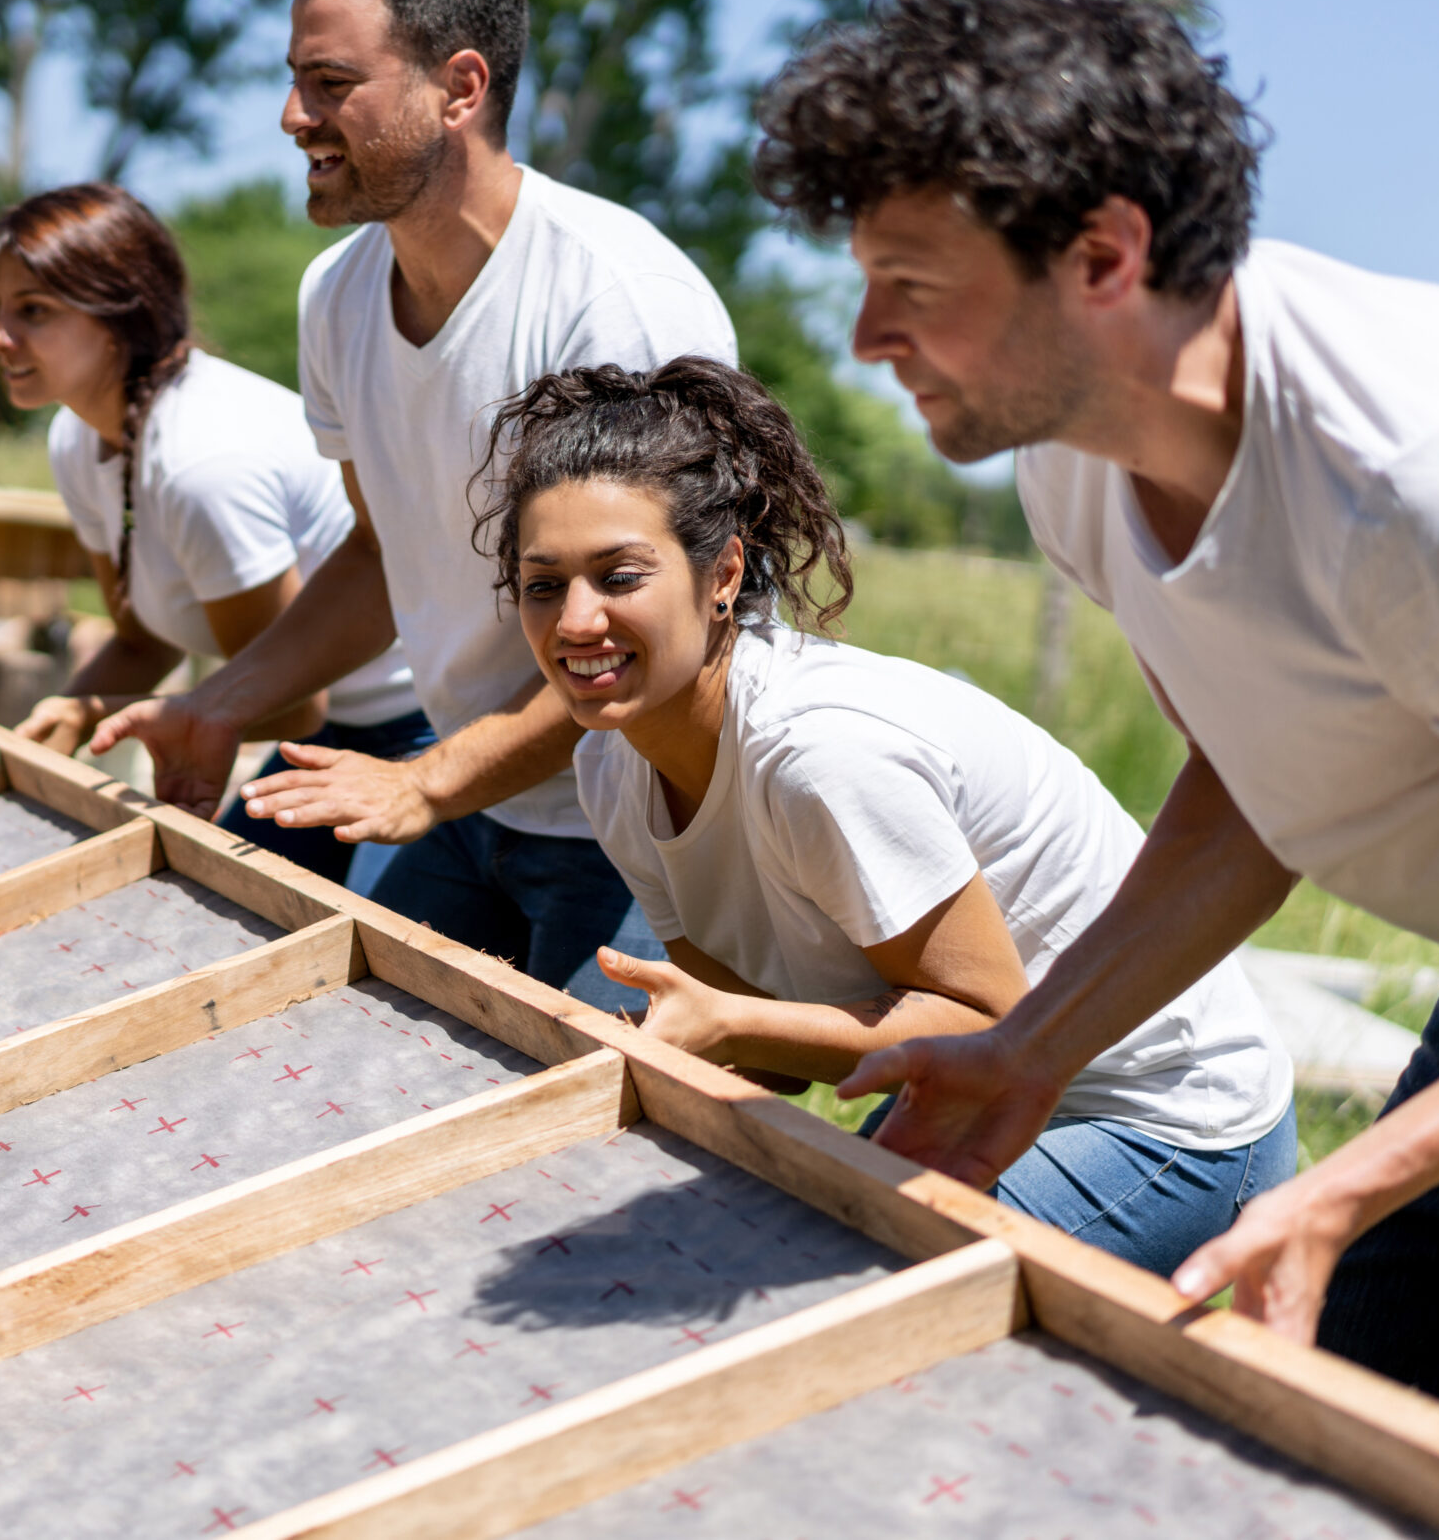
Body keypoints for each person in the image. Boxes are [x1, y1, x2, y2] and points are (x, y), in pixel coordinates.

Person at [751, 0, 1439, 1458]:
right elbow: (1249, 777)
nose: (866, 339)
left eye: (916, 286)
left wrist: (1342, 1180)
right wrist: (1032, 1050)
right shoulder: (1073, 455)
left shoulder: (1426, 481)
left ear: (1104, 255)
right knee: (1308, 1440)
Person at [479, 354, 1292, 1273]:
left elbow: (986, 1022)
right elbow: (759, 1039)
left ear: (722, 575)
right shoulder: (612, 769)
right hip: (970, 1090)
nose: (575, 620)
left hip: (1158, 1110)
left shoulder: (818, 755)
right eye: (543, 585)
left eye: (619, 575)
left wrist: (727, 1032)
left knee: (838, 1296)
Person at [88, 0, 738, 999]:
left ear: (460, 88)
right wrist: (217, 706)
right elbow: (381, 553)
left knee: (578, 1158)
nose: (294, 118)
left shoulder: (614, 306)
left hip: (644, 821)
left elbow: (658, 636)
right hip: (473, 799)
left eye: (330, 85)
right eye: (295, 82)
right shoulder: (335, 296)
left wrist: (430, 782)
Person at [0, 183, 426, 884]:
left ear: (119, 313)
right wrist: (52, 724)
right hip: (321, 732)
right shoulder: (77, 437)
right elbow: (140, 639)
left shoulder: (202, 464)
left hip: (412, 732)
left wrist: (104, 716)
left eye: (32, 311)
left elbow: (294, 700)